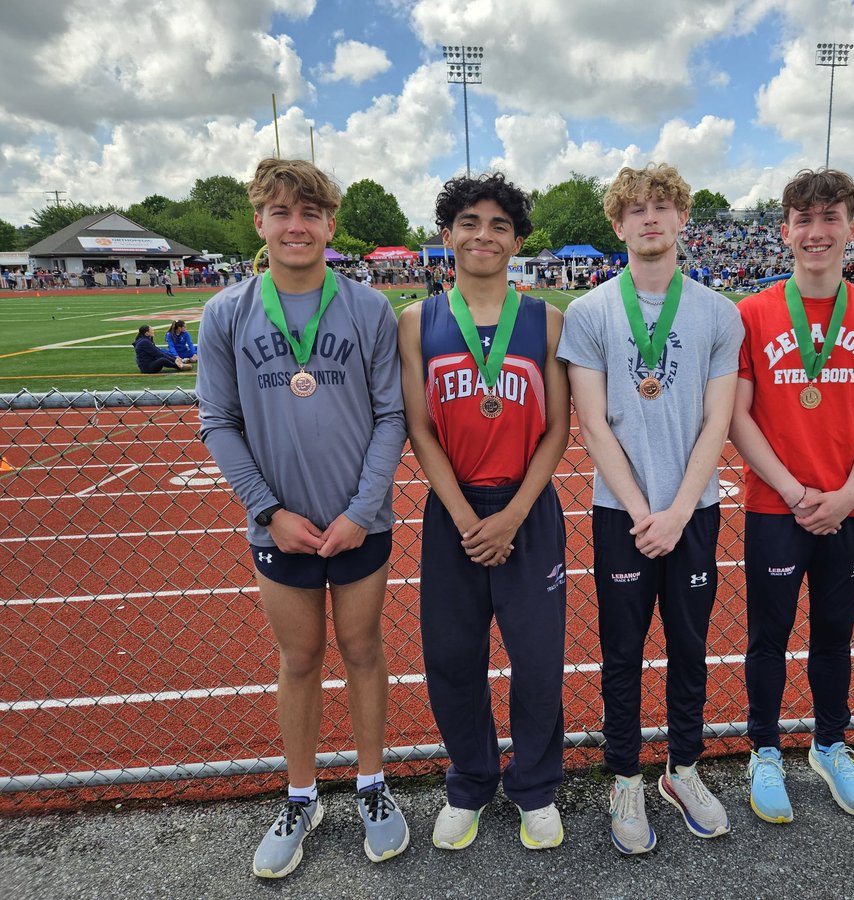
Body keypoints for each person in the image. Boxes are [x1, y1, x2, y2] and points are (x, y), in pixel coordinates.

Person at [195, 158, 409, 878]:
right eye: (282, 212)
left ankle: (373, 787)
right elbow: (218, 422)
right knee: (299, 660)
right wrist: (268, 509)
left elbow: (390, 416)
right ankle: (301, 795)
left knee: (363, 650)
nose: (296, 225)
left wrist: (360, 510)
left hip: (360, 525)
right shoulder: (227, 313)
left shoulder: (368, 308)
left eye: (311, 213)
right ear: (260, 222)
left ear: (330, 226)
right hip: (278, 527)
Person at [557, 164, 743, 854]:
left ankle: (683, 770)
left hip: (694, 512)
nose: (649, 218)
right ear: (617, 225)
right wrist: (644, 512)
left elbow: (716, 425)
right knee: (622, 654)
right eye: (635, 209)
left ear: (683, 218)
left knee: (690, 649)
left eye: (662, 206)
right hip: (621, 515)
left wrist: (678, 510)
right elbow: (593, 425)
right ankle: (627, 777)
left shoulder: (718, 313)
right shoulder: (590, 311)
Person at [729, 168, 854, 825]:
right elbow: (738, 415)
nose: (817, 232)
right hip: (776, 508)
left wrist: (846, 493)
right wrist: (793, 488)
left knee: (835, 636)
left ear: (851, 229)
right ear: (785, 232)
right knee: (769, 638)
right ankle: (765, 749)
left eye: (830, 218)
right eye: (804, 220)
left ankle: (830, 744)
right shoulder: (752, 313)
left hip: (849, 510)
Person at [398, 173, 570, 852]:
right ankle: (469, 781)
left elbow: (557, 428)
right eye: (469, 223)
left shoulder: (546, 319)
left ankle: (535, 786)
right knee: (452, 657)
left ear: (518, 240)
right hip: (454, 511)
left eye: (499, 225)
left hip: (527, 509)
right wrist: (468, 517)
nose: (484, 235)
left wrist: (511, 516)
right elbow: (420, 427)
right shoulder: (417, 321)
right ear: (447, 236)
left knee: (537, 661)